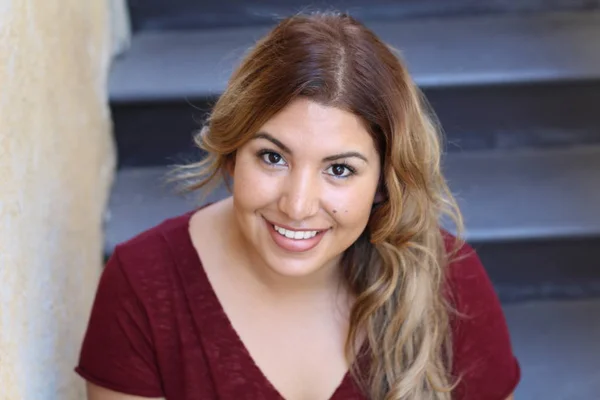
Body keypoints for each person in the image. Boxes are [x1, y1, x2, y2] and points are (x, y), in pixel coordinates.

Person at [76, 11, 520, 400]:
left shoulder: (448, 278)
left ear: (384, 182)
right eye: (272, 157)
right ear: (233, 153)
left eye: (340, 169)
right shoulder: (143, 283)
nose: (297, 205)